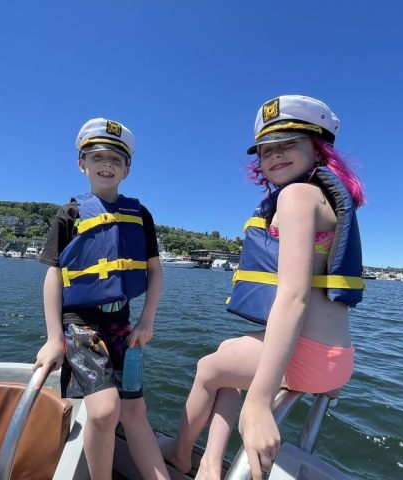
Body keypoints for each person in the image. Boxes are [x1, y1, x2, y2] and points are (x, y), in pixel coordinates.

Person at [161, 95, 365, 480]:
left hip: (311, 357)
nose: (275, 155)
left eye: (289, 144)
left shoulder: (296, 196)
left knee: (207, 368)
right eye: (266, 150)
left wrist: (258, 402)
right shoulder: (324, 197)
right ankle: (210, 463)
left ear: (318, 148)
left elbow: (293, 297)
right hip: (338, 358)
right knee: (226, 353)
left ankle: (179, 452)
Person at [33, 118, 170, 480]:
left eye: (115, 159)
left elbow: (155, 271)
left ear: (127, 169)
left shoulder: (141, 215)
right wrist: (53, 338)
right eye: (97, 157)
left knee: (135, 412)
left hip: (123, 324)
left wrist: (147, 320)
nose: (106, 164)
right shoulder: (69, 214)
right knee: (106, 410)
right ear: (82, 164)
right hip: (80, 324)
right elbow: (54, 275)